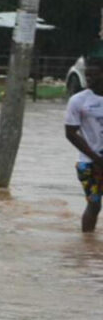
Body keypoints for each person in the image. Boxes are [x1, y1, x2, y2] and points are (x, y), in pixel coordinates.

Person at [63, 57, 103, 232]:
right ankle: (86, 245)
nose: (88, 79)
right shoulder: (78, 101)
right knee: (94, 204)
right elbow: (70, 133)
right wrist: (96, 158)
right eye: (87, 75)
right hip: (89, 162)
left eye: (93, 75)